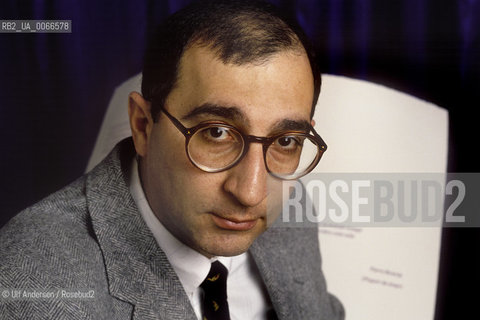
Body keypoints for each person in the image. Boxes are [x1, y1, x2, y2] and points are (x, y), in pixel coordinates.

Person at [0, 0, 344, 319]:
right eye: (216, 133)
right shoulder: (38, 287)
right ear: (143, 126)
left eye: (285, 140)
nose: (252, 193)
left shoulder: (289, 200)